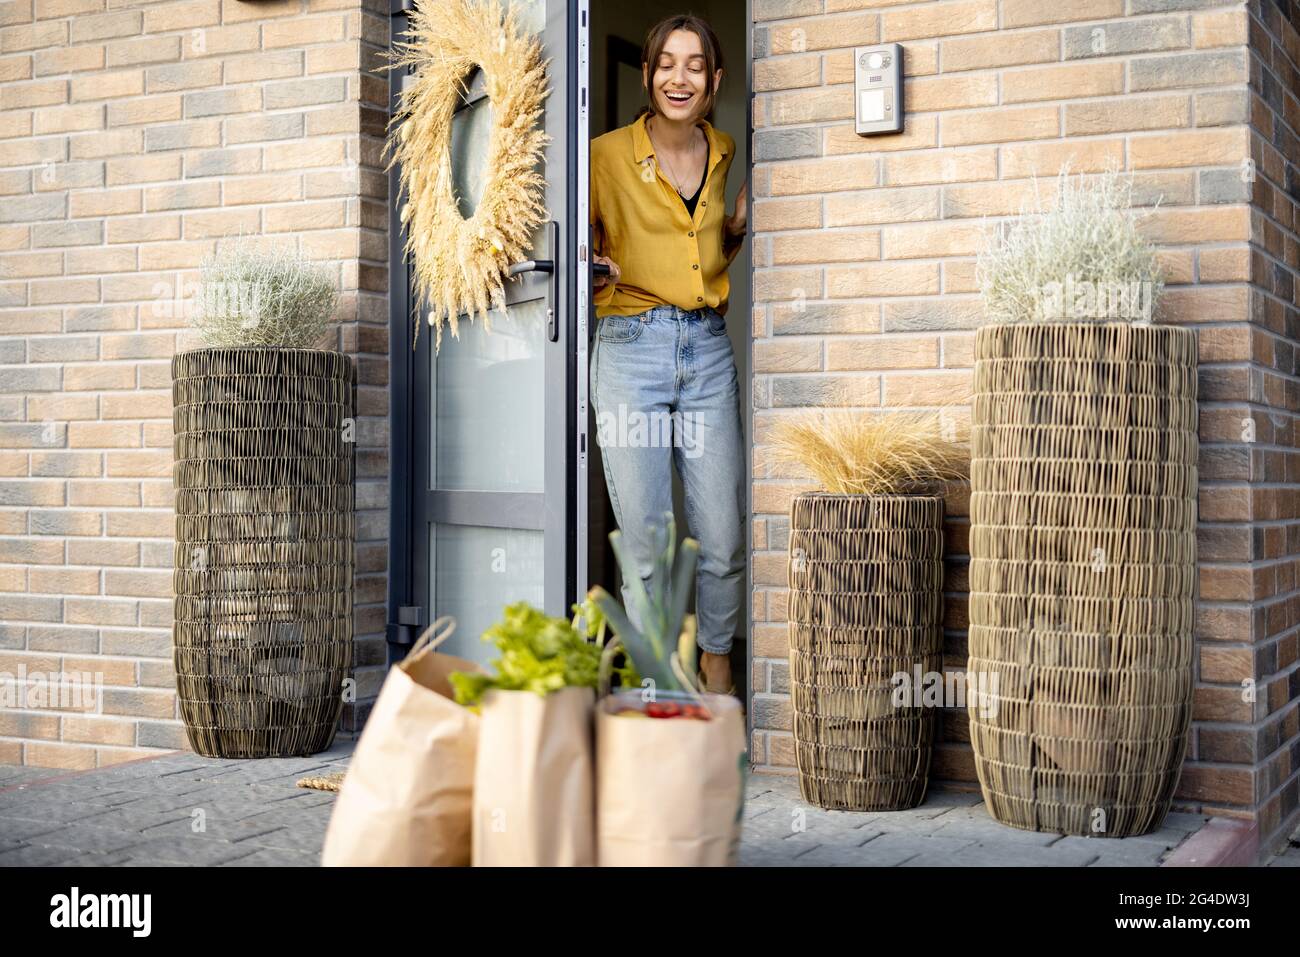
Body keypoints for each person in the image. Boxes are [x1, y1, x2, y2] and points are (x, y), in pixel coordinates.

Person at [590, 13, 747, 695]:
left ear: (714, 80)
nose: (679, 78)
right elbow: (577, 241)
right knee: (648, 545)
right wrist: (591, 263)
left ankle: (716, 657)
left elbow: (704, 246)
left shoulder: (723, 151)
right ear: (650, 74)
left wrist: (736, 228)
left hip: (707, 350)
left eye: (694, 66)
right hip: (631, 350)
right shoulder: (602, 156)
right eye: (666, 64)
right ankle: (659, 682)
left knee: (724, 536)